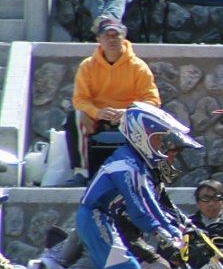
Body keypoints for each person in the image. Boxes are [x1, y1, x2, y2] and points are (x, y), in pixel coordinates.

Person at [76, 102, 201, 269]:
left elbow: (150, 202)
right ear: (141, 136)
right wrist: (161, 232)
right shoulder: (127, 166)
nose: (162, 148)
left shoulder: (136, 163)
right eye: (158, 141)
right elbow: (139, 208)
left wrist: (170, 229)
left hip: (99, 219)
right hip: (95, 217)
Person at [65, 18, 160, 187]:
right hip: (98, 118)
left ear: (123, 37)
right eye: (106, 35)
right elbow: (80, 99)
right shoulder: (87, 66)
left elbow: (152, 100)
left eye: (115, 35)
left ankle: (146, 173)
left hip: (128, 119)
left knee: (149, 118)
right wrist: (96, 112)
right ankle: (81, 172)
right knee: (75, 117)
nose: (111, 39)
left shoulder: (138, 66)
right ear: (98, 39)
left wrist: (128, 111)